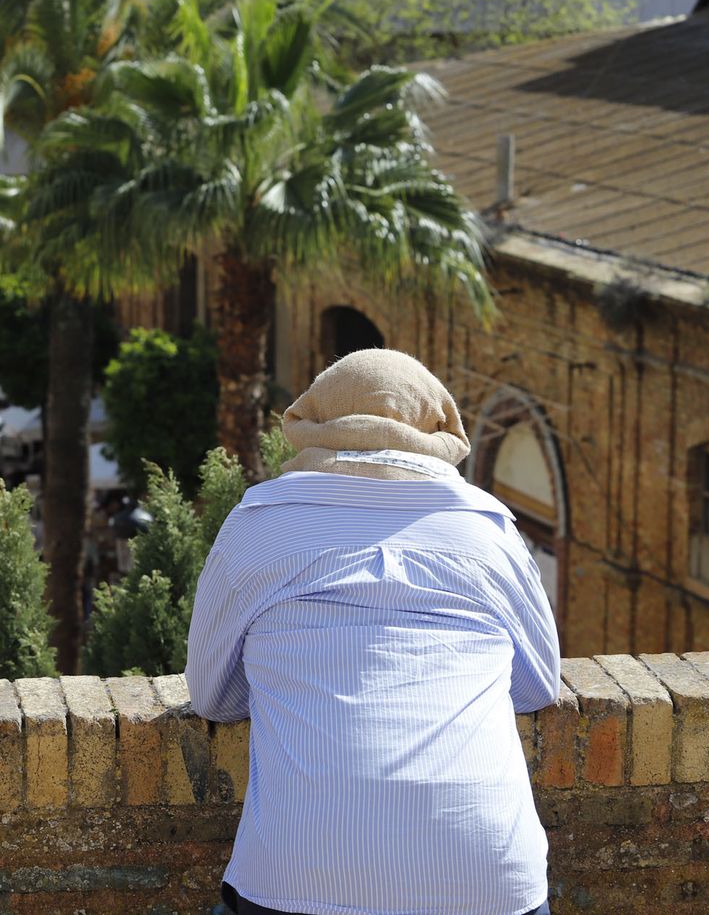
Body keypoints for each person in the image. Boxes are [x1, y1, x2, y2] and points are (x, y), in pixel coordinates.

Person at [185, 349, 559, 915]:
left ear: (312, 426)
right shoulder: (488, 529)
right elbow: (537, 688)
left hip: (298, 878)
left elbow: (213, 696)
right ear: (440, 432)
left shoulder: (258, 522)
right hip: (489, 877)